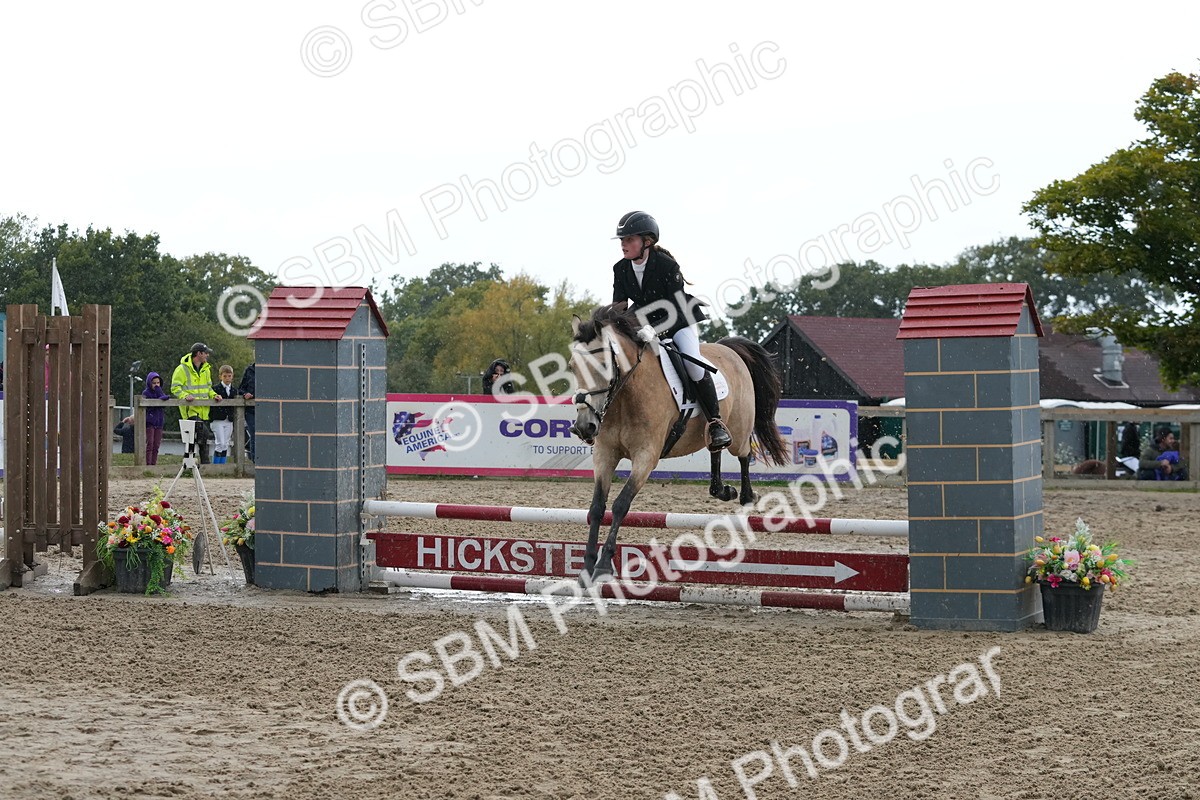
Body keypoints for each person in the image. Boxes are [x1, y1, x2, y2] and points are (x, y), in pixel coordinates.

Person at [610, 210, 730, 450]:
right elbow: (619, 307)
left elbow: (675, 308)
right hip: (642, 320)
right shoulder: (620, 268)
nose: (623, 245)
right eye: (622, 240)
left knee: (693, 364)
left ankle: (715, 423)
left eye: (629, 240)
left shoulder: (666, 265)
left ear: (647, 242)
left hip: (677, 321)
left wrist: (656, 330)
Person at [171, 342, 220, 464]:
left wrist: (214, 395)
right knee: (203, 433)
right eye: (205, 353)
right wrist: (185, 395)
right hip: (190, 410)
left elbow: (208, 388)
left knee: (193, 439)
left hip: (203, 410)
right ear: (199, 353)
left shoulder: (206, 370)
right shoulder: (181, 369)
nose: (207, 355)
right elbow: (175, 387)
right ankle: (204, 462)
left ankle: (189, 462)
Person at [210, 364, 237, 463]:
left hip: (229, 419)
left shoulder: (234, 391)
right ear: (220, 376)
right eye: (225, 376)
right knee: (220, 443)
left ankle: (223, 465)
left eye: (229, 376)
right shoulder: (215, 389)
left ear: (232, 376)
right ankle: (216, 465)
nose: (227, 378)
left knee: (226, 443)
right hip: (218, 419)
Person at [142, 371, 169, 465]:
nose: (156, 385)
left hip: (159, 422)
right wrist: (159, 401)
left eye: (158, 383)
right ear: (149, 383)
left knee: (156, 445)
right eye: (154, 383)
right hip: (150, 422)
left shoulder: (160, 392)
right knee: (150, 444)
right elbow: (149, 406)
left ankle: (154, 464)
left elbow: (164, 400)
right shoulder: (146, 393)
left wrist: (160, 394)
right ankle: (148, 464)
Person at [238, 363, 256, 462]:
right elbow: (240, 389)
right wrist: (245, 394)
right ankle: (255, 461)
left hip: (268, 409)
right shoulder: (249, 370)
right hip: (251, 410)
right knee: (254, 434)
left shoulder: (271, 368)